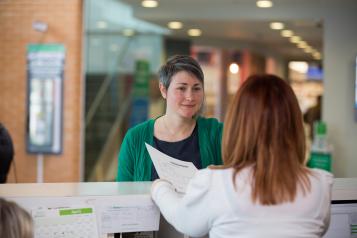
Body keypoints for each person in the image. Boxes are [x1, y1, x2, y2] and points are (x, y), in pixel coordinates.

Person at [151, 74, 333, 238]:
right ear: (295, 126)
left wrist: (159, 187)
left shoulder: (216, 182)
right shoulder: (320, 185)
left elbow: (184, 221)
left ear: (237, 125)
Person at [117, 55, 223, 181]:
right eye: (181, 88)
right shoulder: (135, 138)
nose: (190, 97)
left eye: (196, 88)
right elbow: (123, 196)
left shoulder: (216, 133)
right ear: (163, 90)